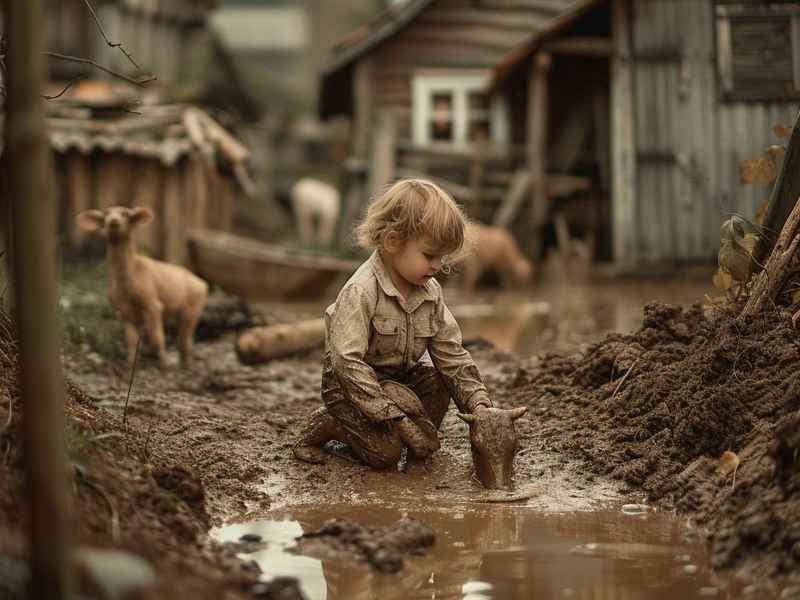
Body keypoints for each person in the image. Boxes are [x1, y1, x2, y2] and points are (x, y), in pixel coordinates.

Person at [292, 178, 493, 468]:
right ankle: (330, 423)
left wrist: (479, 404)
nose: (438, 265)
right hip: (350, 385)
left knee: (439, 380)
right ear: (392, 241)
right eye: (429, 255)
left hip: (398, 377)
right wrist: (398, 419)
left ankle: (412, 437)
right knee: (385, 454)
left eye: (442, 257)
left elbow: (452, 354)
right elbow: (347, 363)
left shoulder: (431, 292)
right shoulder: (361, 291)